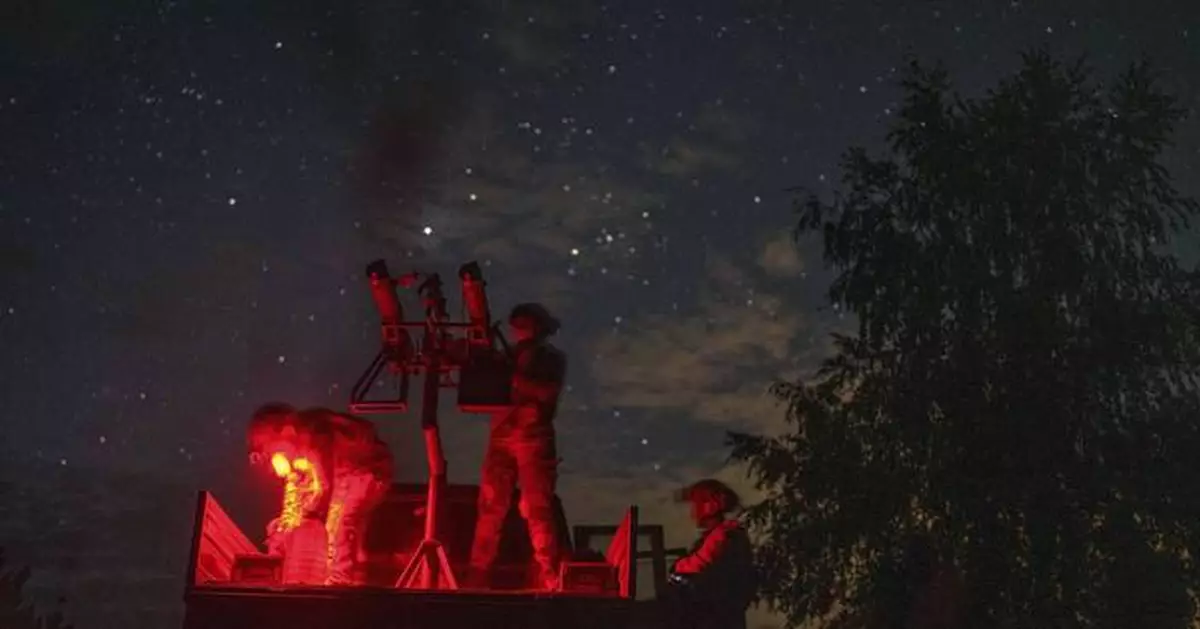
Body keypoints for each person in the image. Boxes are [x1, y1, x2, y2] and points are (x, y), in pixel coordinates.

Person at [467, 303, 568, 590]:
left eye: (523, 323)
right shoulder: (506, 356)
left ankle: (548, 571)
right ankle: (478, 572)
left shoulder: (550, 359)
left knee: (537, 506)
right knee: (490, 505)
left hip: (532, 435)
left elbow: (547, 392)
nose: (518, 329)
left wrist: (514, 379)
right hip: (502, 435)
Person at [248, 403, 394, 586]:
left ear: (282, 431)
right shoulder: (298, 453)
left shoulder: (313, 435)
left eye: (269, 446)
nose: (271, 454)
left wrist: (308, 519)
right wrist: (280, 539)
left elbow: (325, 487)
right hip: (344, 473)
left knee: (342, 523)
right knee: (327, 523)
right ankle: (349, 577)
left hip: (366, 469)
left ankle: (339, 583)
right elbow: (295, 497)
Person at [667, 479, 756, 629]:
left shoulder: (725, 536)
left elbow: (698, 564)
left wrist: (679, 568)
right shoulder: (719, 536)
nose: (694, 512)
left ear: (714, 504)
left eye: (699, 503)